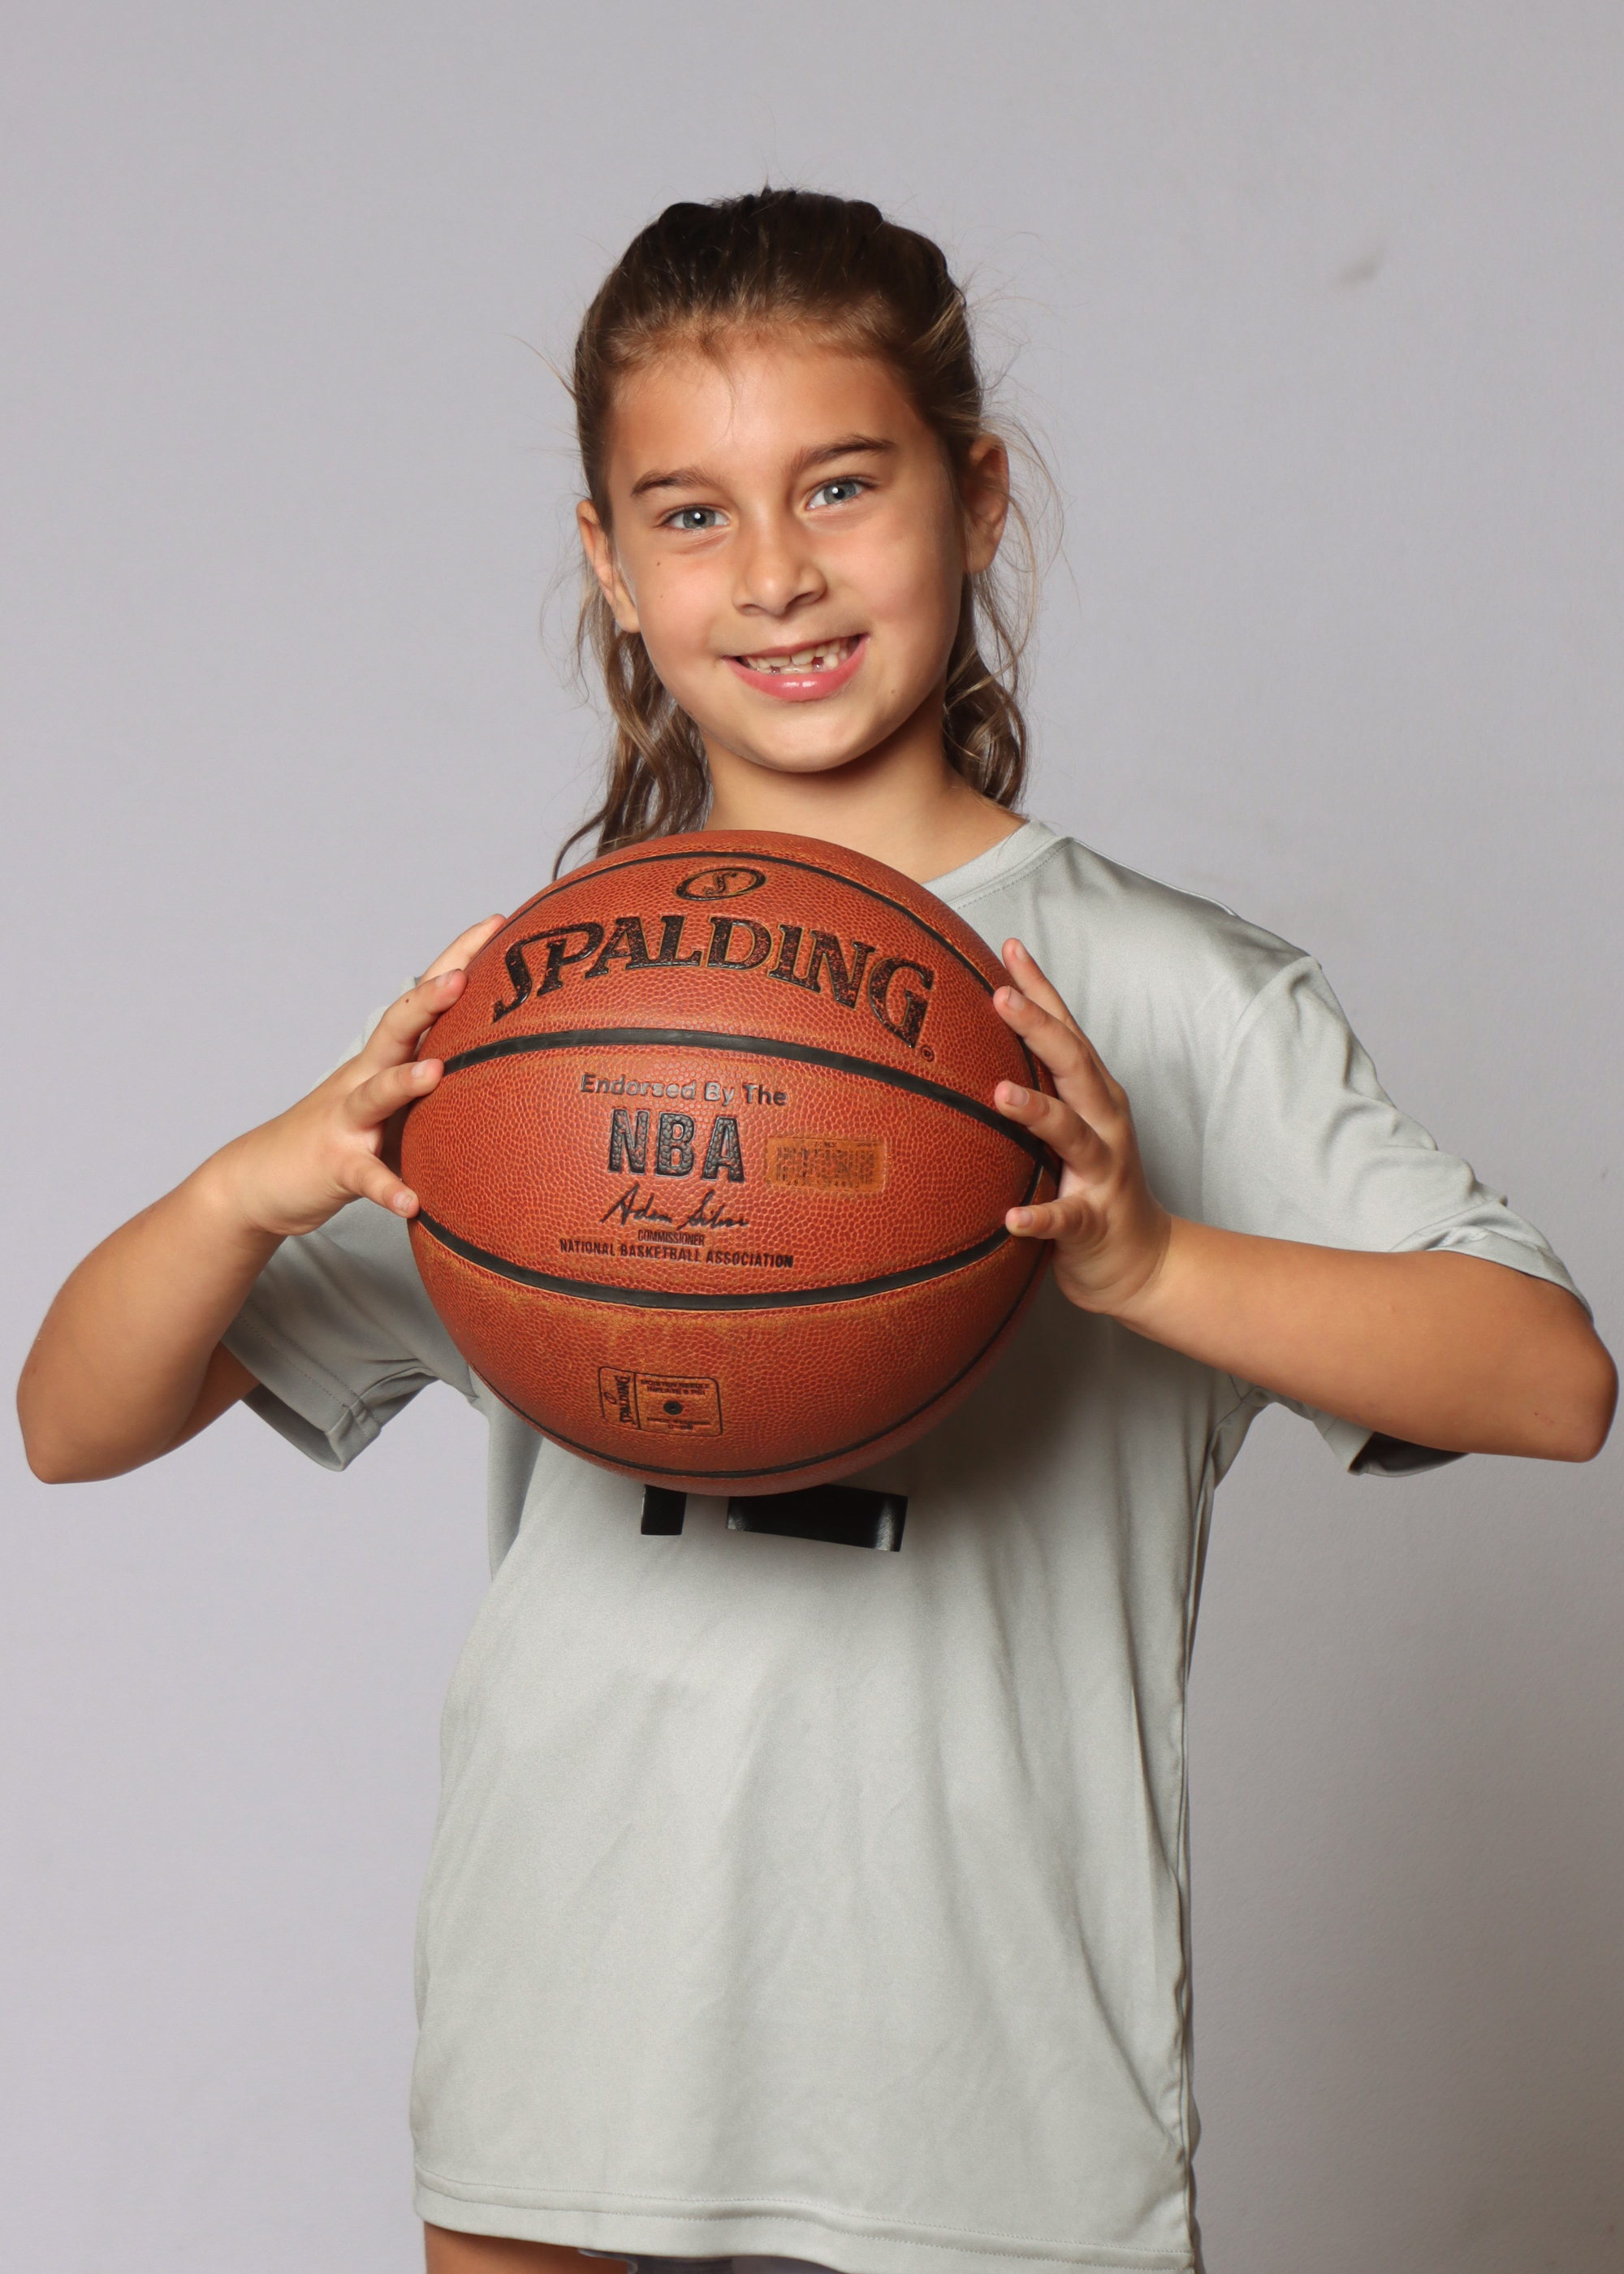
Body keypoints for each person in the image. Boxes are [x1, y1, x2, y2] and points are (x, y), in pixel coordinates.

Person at [17, 190, 1615, 2274]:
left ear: (976, 495)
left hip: (993, 2095)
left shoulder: (1168, 994)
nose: (773, 570)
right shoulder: (528, 1020)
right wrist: (252, 1179)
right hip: (565, 2060)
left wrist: (1148, 1263)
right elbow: (71, 1420)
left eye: (840, 485)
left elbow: (1549, 1381)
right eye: (689, 514)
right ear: (609, 563)